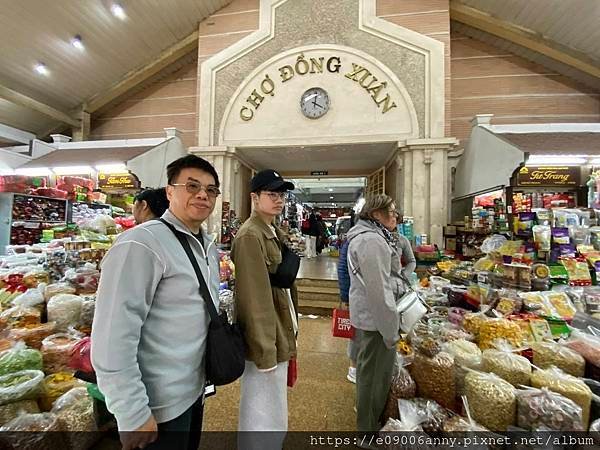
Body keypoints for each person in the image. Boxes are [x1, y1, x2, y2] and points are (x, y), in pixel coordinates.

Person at [91, 155, 222, 450]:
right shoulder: (140, 244)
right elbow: (112, 336)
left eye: (211, 189)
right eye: (192, 186)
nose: (202, 194)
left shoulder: (205, 245)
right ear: (169, 191)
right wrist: (132, 411)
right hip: (156, 406)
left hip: (192, 393)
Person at [231, 169, 298, 450]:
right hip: (266, 338)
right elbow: (254, 299)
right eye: (271, 194)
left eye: (281, 194)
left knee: (273, 405)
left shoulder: (272, 230)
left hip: (279, 328)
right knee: (261, 409)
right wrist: (265, 350)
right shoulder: (250, 236)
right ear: (254, 198)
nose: (278, 199)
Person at [346, 194, 413, 435]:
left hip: (373, 317)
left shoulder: (374, 237)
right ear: (376, 214)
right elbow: (378, 290)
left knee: (371, 373)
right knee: (374, 376)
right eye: (392, 211)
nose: (396, 216)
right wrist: (390, 329)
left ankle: (368, 419)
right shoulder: (371, 241)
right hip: (376, 321)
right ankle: (367, 430)